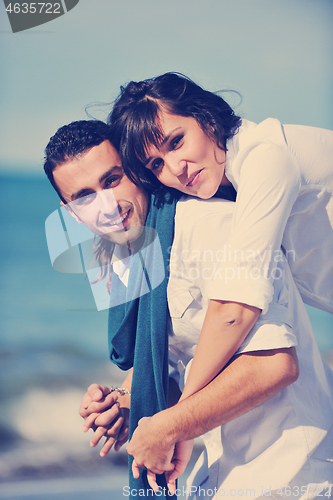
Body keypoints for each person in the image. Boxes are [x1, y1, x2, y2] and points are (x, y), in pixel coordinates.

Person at [81, 194, 333, 499]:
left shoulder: (209, 225)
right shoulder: (147, 252)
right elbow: (188, 363)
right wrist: (129, 401)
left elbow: (273, 364)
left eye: (111, 180)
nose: (106, 206)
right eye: (84, 197)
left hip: (288, 471)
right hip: (222, 472)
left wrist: (169, 428)